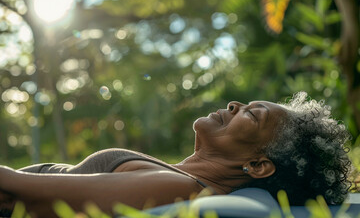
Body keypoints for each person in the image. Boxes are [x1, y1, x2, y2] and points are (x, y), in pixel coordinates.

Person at [0, 92, 352, 217]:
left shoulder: (179, 188)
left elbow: (20, 194)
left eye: (252, 114)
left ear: (258, 165)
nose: (234, 104)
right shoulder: (176, 174)